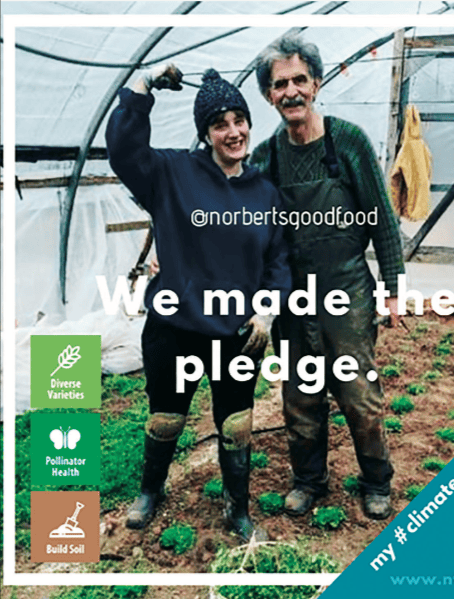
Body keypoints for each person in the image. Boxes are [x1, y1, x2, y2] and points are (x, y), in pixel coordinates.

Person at [105, 64, 292, 541]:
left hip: (237, 334)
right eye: (219, 123)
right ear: (205, 133)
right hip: (175, 326)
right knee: (165, 417)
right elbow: (123, 151)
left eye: (238, 120)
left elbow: (277, 260)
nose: (232, 132)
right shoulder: (171, 172)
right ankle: (151, 490)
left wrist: (268, 306)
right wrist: (142, 87)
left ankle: (239, 508)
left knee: (237, 423)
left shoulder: (264, 193)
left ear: (250, 123)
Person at [251, 34, 405, 520]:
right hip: (293, 295)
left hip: (348, 289)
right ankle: (308, 481)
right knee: (300, 396)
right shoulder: (265, 158)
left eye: (300, 79)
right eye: (280, 84)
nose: (291, 91)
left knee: (359, 394)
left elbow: (382, 219)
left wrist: (394, 289)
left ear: (316, 84)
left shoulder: (348, 141)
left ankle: (376, 480)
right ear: (268, 95)